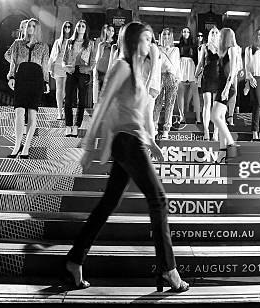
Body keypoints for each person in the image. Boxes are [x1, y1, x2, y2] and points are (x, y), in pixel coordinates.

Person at [64, 21, 189, 293]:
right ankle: (168, 269)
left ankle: (75, 259)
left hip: (135, 142)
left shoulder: (139, 72)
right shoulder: (122, 66)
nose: (151, 44)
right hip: (126, 143)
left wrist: (153, 143)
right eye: (146, 39)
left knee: (108, 203)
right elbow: (103, 105)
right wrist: (88, 147)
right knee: (158, 199)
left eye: (152, 39)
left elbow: (140, 115)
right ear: (133, 41)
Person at [6, 18, 50, 158]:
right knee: (19, 111)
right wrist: (11, 77)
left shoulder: (43, 46)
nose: (30, 28)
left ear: (37, 29)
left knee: (32, 113)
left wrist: (46, 82)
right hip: (22, 76)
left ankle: (26, 147)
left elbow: (45, 66)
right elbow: (12, 62)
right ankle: (17, 145)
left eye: (33, 26)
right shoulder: (17, 44)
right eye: (29, 26)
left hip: (36, 78)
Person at [63, 20, 96, 137]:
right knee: (67, 99)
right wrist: (67, 67)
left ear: (86, 29)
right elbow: (64, 60)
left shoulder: (90, 43)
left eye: (83, 26)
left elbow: (93, 62)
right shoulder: (69, 42)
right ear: (76, 28)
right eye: (79, 26)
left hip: (83, 72)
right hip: (71, 71)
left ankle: (76, 126)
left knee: (81, 100)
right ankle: (68, 125)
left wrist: (87, 69)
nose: (81, 28)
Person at [212, 28, 240, 156]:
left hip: (227, 86)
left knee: (215, 116)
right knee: (220, 118)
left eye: (220, 35)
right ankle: (222, 153)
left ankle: (231, 143)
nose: (219, 37)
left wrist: (227, 88)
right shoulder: (222, 51)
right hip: (221, 85)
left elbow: (233, 71)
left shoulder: (232, 49)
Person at [153, 28, 180, 139]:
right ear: (161, 36)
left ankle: (166, 130)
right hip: (159, 76)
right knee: (158, 103)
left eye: (169, 34)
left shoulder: (175, 49)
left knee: (170, 103)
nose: (166, 36)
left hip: (172, 77)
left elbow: (178, 65)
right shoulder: (157, 49)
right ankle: (154, 126)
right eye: (164, 34)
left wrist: (178, 78)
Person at [195, 27, 220, 141]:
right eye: (212, 32)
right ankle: (206, 131)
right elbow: (200, 62)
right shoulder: (204, 46)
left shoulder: (222, 47)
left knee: (216, 107)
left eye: (216, 32)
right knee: (207, 105)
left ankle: (215, 132)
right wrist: (195, 76)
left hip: (218, 78)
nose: (214, 34)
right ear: (209, 34)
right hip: (207, 77)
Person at [176, 27, 201, 124]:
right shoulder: (178, 46)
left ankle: (198, 118)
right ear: (181, 33)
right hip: (181, 66)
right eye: (184, 31)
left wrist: (197, 72)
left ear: (190, 33)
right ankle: (182, 117)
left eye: (187, 31)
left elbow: (197, 59)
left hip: (191, 67)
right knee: (180, 93)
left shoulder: (195, 46)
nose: (185, 33)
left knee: (195, 92)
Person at [48, 20, 72, 120]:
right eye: (65, 27)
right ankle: (59, 112)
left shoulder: (72, 41)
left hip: (67, 67)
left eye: (69, 27)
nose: (67, 29)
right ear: (63, 28)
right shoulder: (58, 41)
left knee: (66, 91)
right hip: (58, 66)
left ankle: (64, 110)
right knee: (59, 90)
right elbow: (53, 55)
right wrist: (51, 68)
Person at [93, 24, 116, 103]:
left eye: (113, 31)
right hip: (101, 69)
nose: (111, 32)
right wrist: (95, 70)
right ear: (106, 31)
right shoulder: (101, 44)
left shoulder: (116, 44)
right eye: (109, 30)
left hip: (111, 69)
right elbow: (98, 57)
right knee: (101, 91)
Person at [226, 39, 243, 126]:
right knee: (223, 94)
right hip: (223, 73)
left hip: (233, 73)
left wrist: (240, 68)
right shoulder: (222, 46)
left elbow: (239, 59)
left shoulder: (237, 48)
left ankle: (230, 116)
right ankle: (224, 115)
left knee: (233, 93)